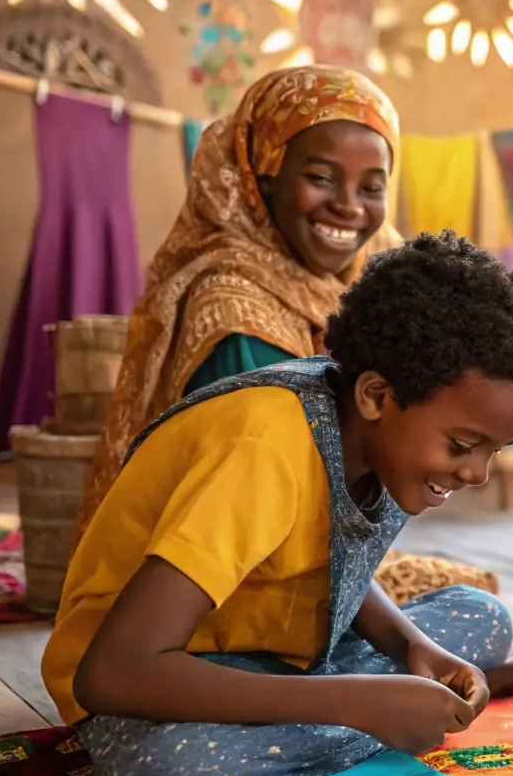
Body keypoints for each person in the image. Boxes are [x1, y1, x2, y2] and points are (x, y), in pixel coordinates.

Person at [42, 231, 513, 776]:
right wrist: (355, 702)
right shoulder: (263, 448)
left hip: (286, 659)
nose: (476, 473)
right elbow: (111, 673)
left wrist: (411, 646)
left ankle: (386, 711)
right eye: (464, 445)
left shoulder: (374, 438)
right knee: (181, 775)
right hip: (159, 679)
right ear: (377, 395)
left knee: (481, 616)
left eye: (495, 451)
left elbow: (330, 559)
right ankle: (380, 717)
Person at [75, 66, 404, 539]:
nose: (349, 206)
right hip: (233, 564)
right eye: (320, 177)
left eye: (371, 187)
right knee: (473, 609)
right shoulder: (234, 311)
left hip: (313, 540)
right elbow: (252, 503)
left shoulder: (359, 284)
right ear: (261, 176)